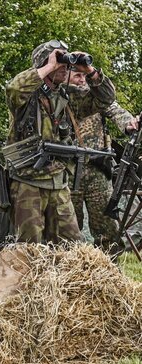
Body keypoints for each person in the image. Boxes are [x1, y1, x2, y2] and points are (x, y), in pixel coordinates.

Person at [4, 39, 116, 243]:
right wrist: (49, 66)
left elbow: (106, 98)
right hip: (27, 181)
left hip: (57, 180)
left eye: (66, 63)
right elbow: (13, 90)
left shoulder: (66, 95)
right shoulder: (27, 96)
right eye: (60, 62)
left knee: (72, 245)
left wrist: (89, 70)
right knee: (30, 246)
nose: (65, 68)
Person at [66, 71, 139, 253]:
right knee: (69, 226)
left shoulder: (96, 98)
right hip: (68, 171)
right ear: (65, 75)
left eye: (84, 75)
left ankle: (110, 270)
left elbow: (116, 110)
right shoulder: (59, 98)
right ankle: (70, 270)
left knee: (107, 226)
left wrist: (129, 123)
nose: (82, 80)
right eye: (77, 75)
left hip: (98, 170)